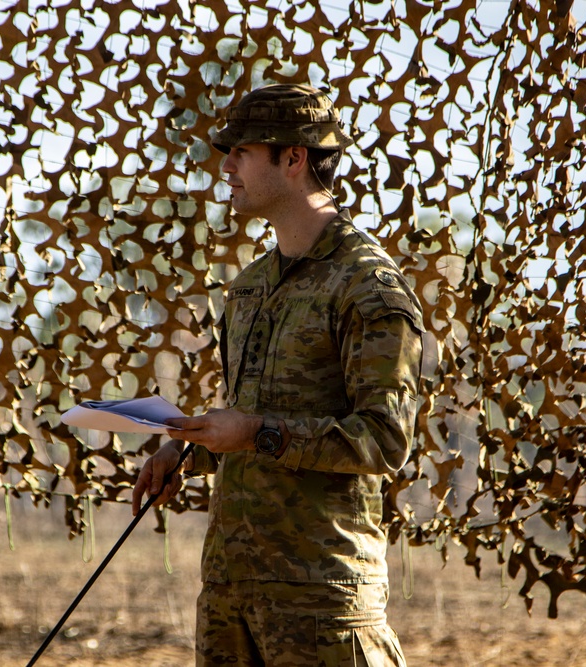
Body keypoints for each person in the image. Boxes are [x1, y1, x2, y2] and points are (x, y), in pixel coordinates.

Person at [132, 83, 424, 666]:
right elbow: (256, 420)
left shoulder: (367, 286)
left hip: (321, 602)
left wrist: (254, 432)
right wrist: (190, 453)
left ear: (294, 158)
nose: (227, 166)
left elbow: (384, 439)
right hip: (230, 598)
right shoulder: (247, 288)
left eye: (242, 150)